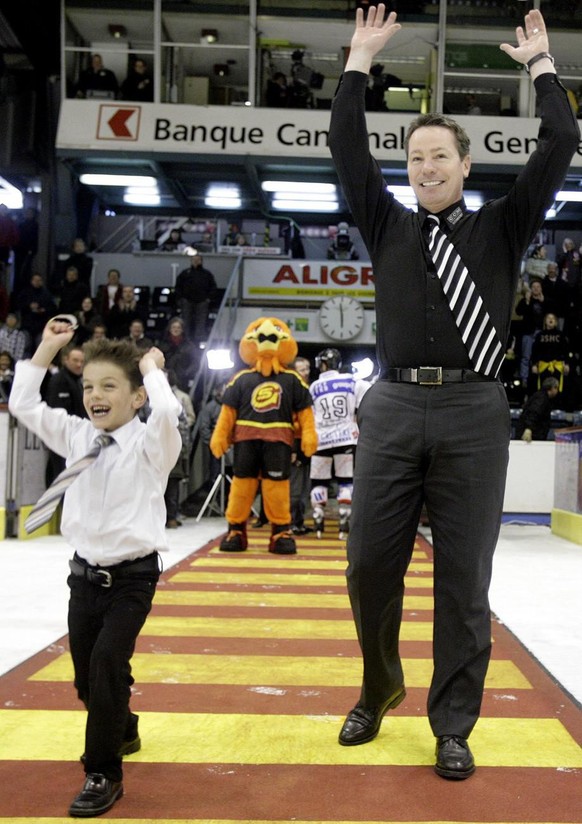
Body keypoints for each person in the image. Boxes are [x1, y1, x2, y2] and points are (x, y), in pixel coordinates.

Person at [328, 4, 579, 780]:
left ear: (466, 166)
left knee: (464, 579)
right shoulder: (385, 223)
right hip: (395, 404)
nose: (426, 168)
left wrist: (541, 67)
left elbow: (562, 141)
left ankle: (453, 722)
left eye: (440, 156)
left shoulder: (503, 228)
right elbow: (345, 147)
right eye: (415, 158)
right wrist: (358, 64)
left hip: (474, 408)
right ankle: (379, 684)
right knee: (369, 565)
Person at [8, 318, 181, 817]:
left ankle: (102, 772)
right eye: (88, 385)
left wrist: (151, 369)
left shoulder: (153, 446)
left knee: (108, 664)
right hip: (83, 578)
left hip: (133, 579)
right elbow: (23, 405)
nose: (94, 395)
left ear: (136, 397)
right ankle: (122, 725)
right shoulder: (77, 434)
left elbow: (167, 413)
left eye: (109, 386)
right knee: (88, 681)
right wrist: (46, 349)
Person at [309, 348, 369, 538]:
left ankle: (318, 520)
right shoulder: (353, 382)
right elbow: (364, 403)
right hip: (346, 439)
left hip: (321, 441)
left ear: (323, 364)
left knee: (319, 481)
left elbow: (310, 416)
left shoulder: (314, 387)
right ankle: (344, 520)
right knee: (346, 481)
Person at [44, 342, 87, 483]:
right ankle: (60, 503)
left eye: (82, 361)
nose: (79, 364)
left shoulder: (79, 381)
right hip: (62, 437)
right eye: (75, 360)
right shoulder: (59, 380)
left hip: (75, 437)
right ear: (65, 360)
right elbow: (56, 411)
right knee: (60, 471)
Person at [164, 368, 195, 528]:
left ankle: (171, 516)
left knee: (173, 483)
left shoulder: (181, 398)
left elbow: (186, 422)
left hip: (173, 446)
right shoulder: (143, 397)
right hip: (150, 446)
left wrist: (182, 447)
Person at [290, 355, 313, 535]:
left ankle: (299, 522)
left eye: (307, 368)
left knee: (304, 488)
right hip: (294, 446)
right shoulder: (291, 391)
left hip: (307, 445)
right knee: (295, 489)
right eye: (302, 369)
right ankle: (292, 523)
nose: (306, 372)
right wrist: (292, 449)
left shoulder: (309, 389)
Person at [174, 254, 217, 343]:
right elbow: (178, 287)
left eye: (198, 260)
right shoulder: (185, 273)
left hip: (202, 302)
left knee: (201, 323)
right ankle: (186, 340)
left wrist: (209, 299)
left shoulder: (207, 274)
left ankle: (199, 341)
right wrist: (180, 299)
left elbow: (213, 287)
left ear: (201, 261)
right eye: (194, 259)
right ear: (191, 261)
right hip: (187, 301)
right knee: (185, 322)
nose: (196, 261)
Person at [16, 272, 57, 346]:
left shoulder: (46, 294)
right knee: (26, 346)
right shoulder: (25, 293)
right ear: (31, 281)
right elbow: (18, 305)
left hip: (41, 326)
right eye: (35, 280)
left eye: (39, 280)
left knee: (40, 347)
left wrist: (44, 310)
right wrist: (29, 306)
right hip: (27, 325)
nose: (37, 282)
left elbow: (53, 308)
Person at [514, 375, 560, 441]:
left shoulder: (541, 396)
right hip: (531, 435)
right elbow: (534, 412)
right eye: (556, 388)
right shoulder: (542, 399)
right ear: (552, 388)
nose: (557, 391)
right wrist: (528, 429)